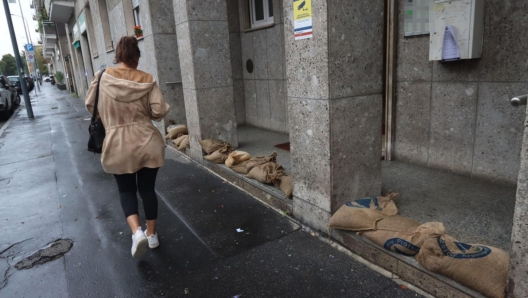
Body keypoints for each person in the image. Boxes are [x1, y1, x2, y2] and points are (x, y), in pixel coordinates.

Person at [85, 36, 170, 258]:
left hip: (116, 143)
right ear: (136, 56)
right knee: (148, 190)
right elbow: (159, 111)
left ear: (118, 55)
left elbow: (90, 106)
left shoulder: (102, 77)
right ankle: (152, 235)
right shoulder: (147, 79)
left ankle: (136, 232)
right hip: (146, 141)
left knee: (126, 190)